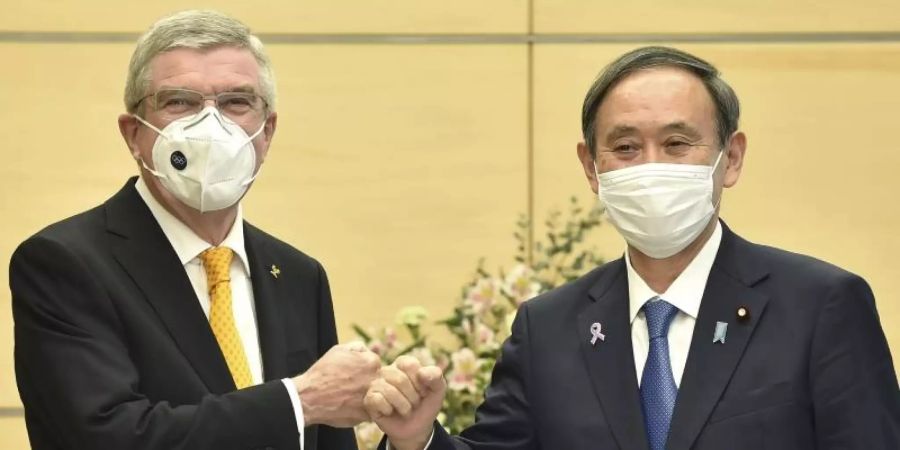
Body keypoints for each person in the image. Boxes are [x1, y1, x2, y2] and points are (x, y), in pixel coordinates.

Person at [363, 46, 900, 450]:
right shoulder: (547, 328)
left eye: (676, 143)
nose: (651, 166)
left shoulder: (821, 305)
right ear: (591, 168)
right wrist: (418, 440)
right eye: (624, 147)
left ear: (730, 158)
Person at [10, 10, 378, 450]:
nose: (210, 127)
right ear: (133, 134)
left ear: (267, 132)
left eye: (236, 102)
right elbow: (103, 437)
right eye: (179, 102)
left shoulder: (299, 275)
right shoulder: (65, 263)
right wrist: (297, 402)